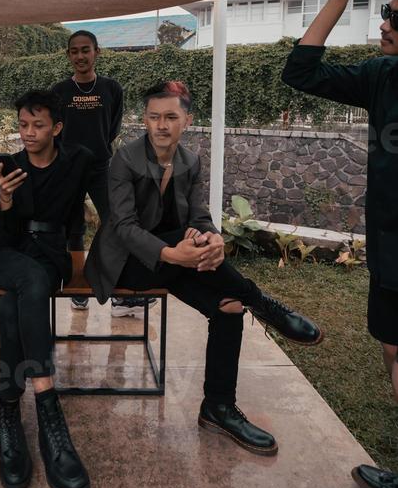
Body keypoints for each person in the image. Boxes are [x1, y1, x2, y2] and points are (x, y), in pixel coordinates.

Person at [85, 80, 323, 455]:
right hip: (128, 264)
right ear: (144, 120)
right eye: (153, 117)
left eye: (170, 117)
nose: (161, 125)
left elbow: (199, 215)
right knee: (192, 244)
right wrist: (176, 253)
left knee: (228, 306)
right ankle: (262, 302)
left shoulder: (190, 161)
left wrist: (213, 239)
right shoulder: (124, 160)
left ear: (187, 120)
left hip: (178, 259)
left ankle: (218, 407)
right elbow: (124, 227)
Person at [282, 0, 398, 488]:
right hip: (390, 248)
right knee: (394, 351)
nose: (384, 23)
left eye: (392, 16)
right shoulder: (382, 77)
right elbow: (299, 72)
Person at [0, 88, 93, 488]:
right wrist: (5, 200)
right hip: (7, 253)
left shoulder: (75, 162)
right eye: (23, 125)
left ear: (56, 127)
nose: (28, 133)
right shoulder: (7, 167)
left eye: (38, 125)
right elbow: (0, 234)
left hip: (50, 255)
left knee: (12, 312)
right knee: (30, 281)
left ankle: (8, 410)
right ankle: (47, 405)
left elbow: (96, 207)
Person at [52, 29, 149, 315]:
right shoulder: (60, 91)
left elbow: (113, 127)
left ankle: (116, 291)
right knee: (73, 227)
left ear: (97, 52)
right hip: (68, 168)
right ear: (68, 55)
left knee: (115, 223)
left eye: (86, 49)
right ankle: (77, 287)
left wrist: (96, 149)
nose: (80, 56)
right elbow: (55, 128)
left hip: (100, 168)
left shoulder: (111, 88)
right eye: (74, 51)